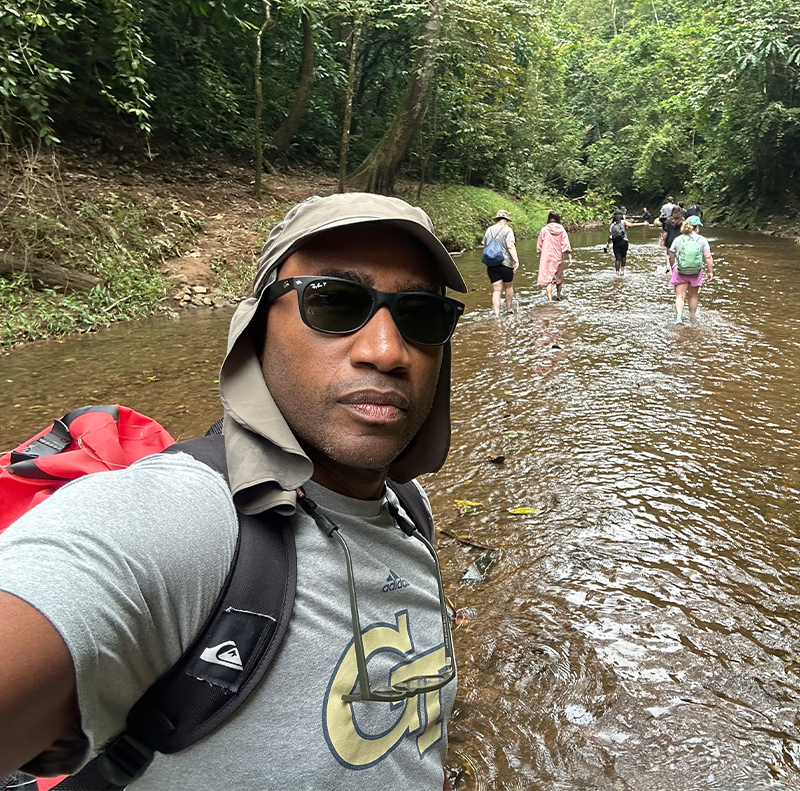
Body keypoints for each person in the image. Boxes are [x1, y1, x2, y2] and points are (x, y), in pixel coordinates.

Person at [0, 193, 465, 789]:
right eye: (334, 302)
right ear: (255, 331)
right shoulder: (182, 522)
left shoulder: (409, 510)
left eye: (421, 314)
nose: (386, 351)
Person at [668, 214, 713, 324]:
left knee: (680, 296)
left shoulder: (678, 239)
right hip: (696, 272)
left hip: (680, 270)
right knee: (693, 296)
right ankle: (692, 318)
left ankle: (679, 317)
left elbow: (671, 255)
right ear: (697, 227)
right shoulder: (702, 240)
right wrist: (710, 271)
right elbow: (708, 257)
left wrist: (673, 266)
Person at [482, 209, 519, 317]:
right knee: (508, 287)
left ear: (497, 219)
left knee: (496, 290)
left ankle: (497, 314)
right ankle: (509, 310)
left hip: (492, 264)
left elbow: (485, 244)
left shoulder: (489, 230)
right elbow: (510, 246)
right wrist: (516, 261)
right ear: (507, 219)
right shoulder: (508, 230)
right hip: (506, 263)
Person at [536, 210, 572, 302]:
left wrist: (540, 252)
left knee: (548, 279)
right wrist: (569, 256)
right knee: (559, 276)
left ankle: (550, 299)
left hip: (546, 257)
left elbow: (539, 245)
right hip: (558, 256)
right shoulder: (561, 230)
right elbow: (565, 243)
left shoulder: (544, 230)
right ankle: (559, 296)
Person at [606, 209, 650, 276]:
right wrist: (643, 223)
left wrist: (608, 244)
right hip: (624, 241)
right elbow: (632, 225)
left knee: (617, 259)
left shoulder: (612, 225)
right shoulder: (623, 222)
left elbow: (610, 236)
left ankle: (617, 273)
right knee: (623, 256)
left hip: (616, 243)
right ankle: (622, 271)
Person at [660, 204, 686, 273]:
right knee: (679, 254)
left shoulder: (668, 221)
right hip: (680, 240)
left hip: (670, 240)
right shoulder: (683, 221)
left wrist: (663, 240)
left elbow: (665, 233)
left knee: (669, 254)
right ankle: (678, 267)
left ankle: (668, 266)